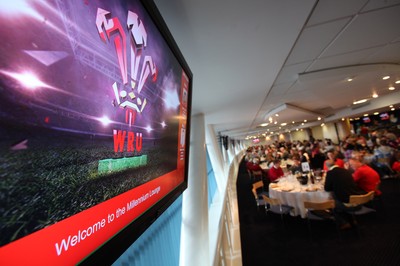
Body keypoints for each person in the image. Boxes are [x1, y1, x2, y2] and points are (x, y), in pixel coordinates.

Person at [324, 159, 366, 229]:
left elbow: (327, 189)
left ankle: (343, 223)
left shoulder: (330, 173)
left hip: (349, 204)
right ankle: (352, 219)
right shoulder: (346, 171)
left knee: (331, 203)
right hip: (358, 200)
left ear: (326, 166)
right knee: (338, 196)